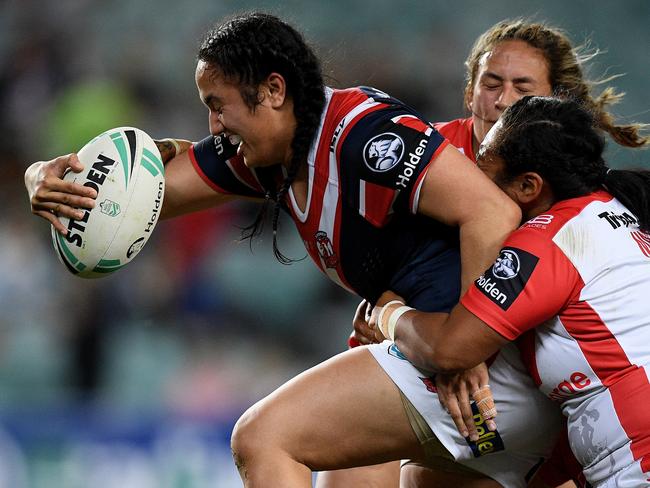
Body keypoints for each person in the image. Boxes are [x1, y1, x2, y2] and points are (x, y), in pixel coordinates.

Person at [25, 12, 569, 487]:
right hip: (441, 364)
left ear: (275, 92)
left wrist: (473, 346)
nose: (212, 125)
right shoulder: (268, 157)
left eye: (219, 106)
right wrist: (41, 177)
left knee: (264, 439)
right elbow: (142, 192)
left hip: (478, 370)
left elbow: (491, 213)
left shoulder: (365, 136)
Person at [342, 18, 650, 488]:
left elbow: (453, 346)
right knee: (370, 465)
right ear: (469, 92)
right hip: (534, 392)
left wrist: (390, 314)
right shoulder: (428, 164)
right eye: (491, 83)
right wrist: (379, 308)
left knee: (277, 434)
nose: (502, 99)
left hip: (549, 400)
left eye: (521, 87)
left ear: (554, 102)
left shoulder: (559, 217)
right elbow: (381, 264)